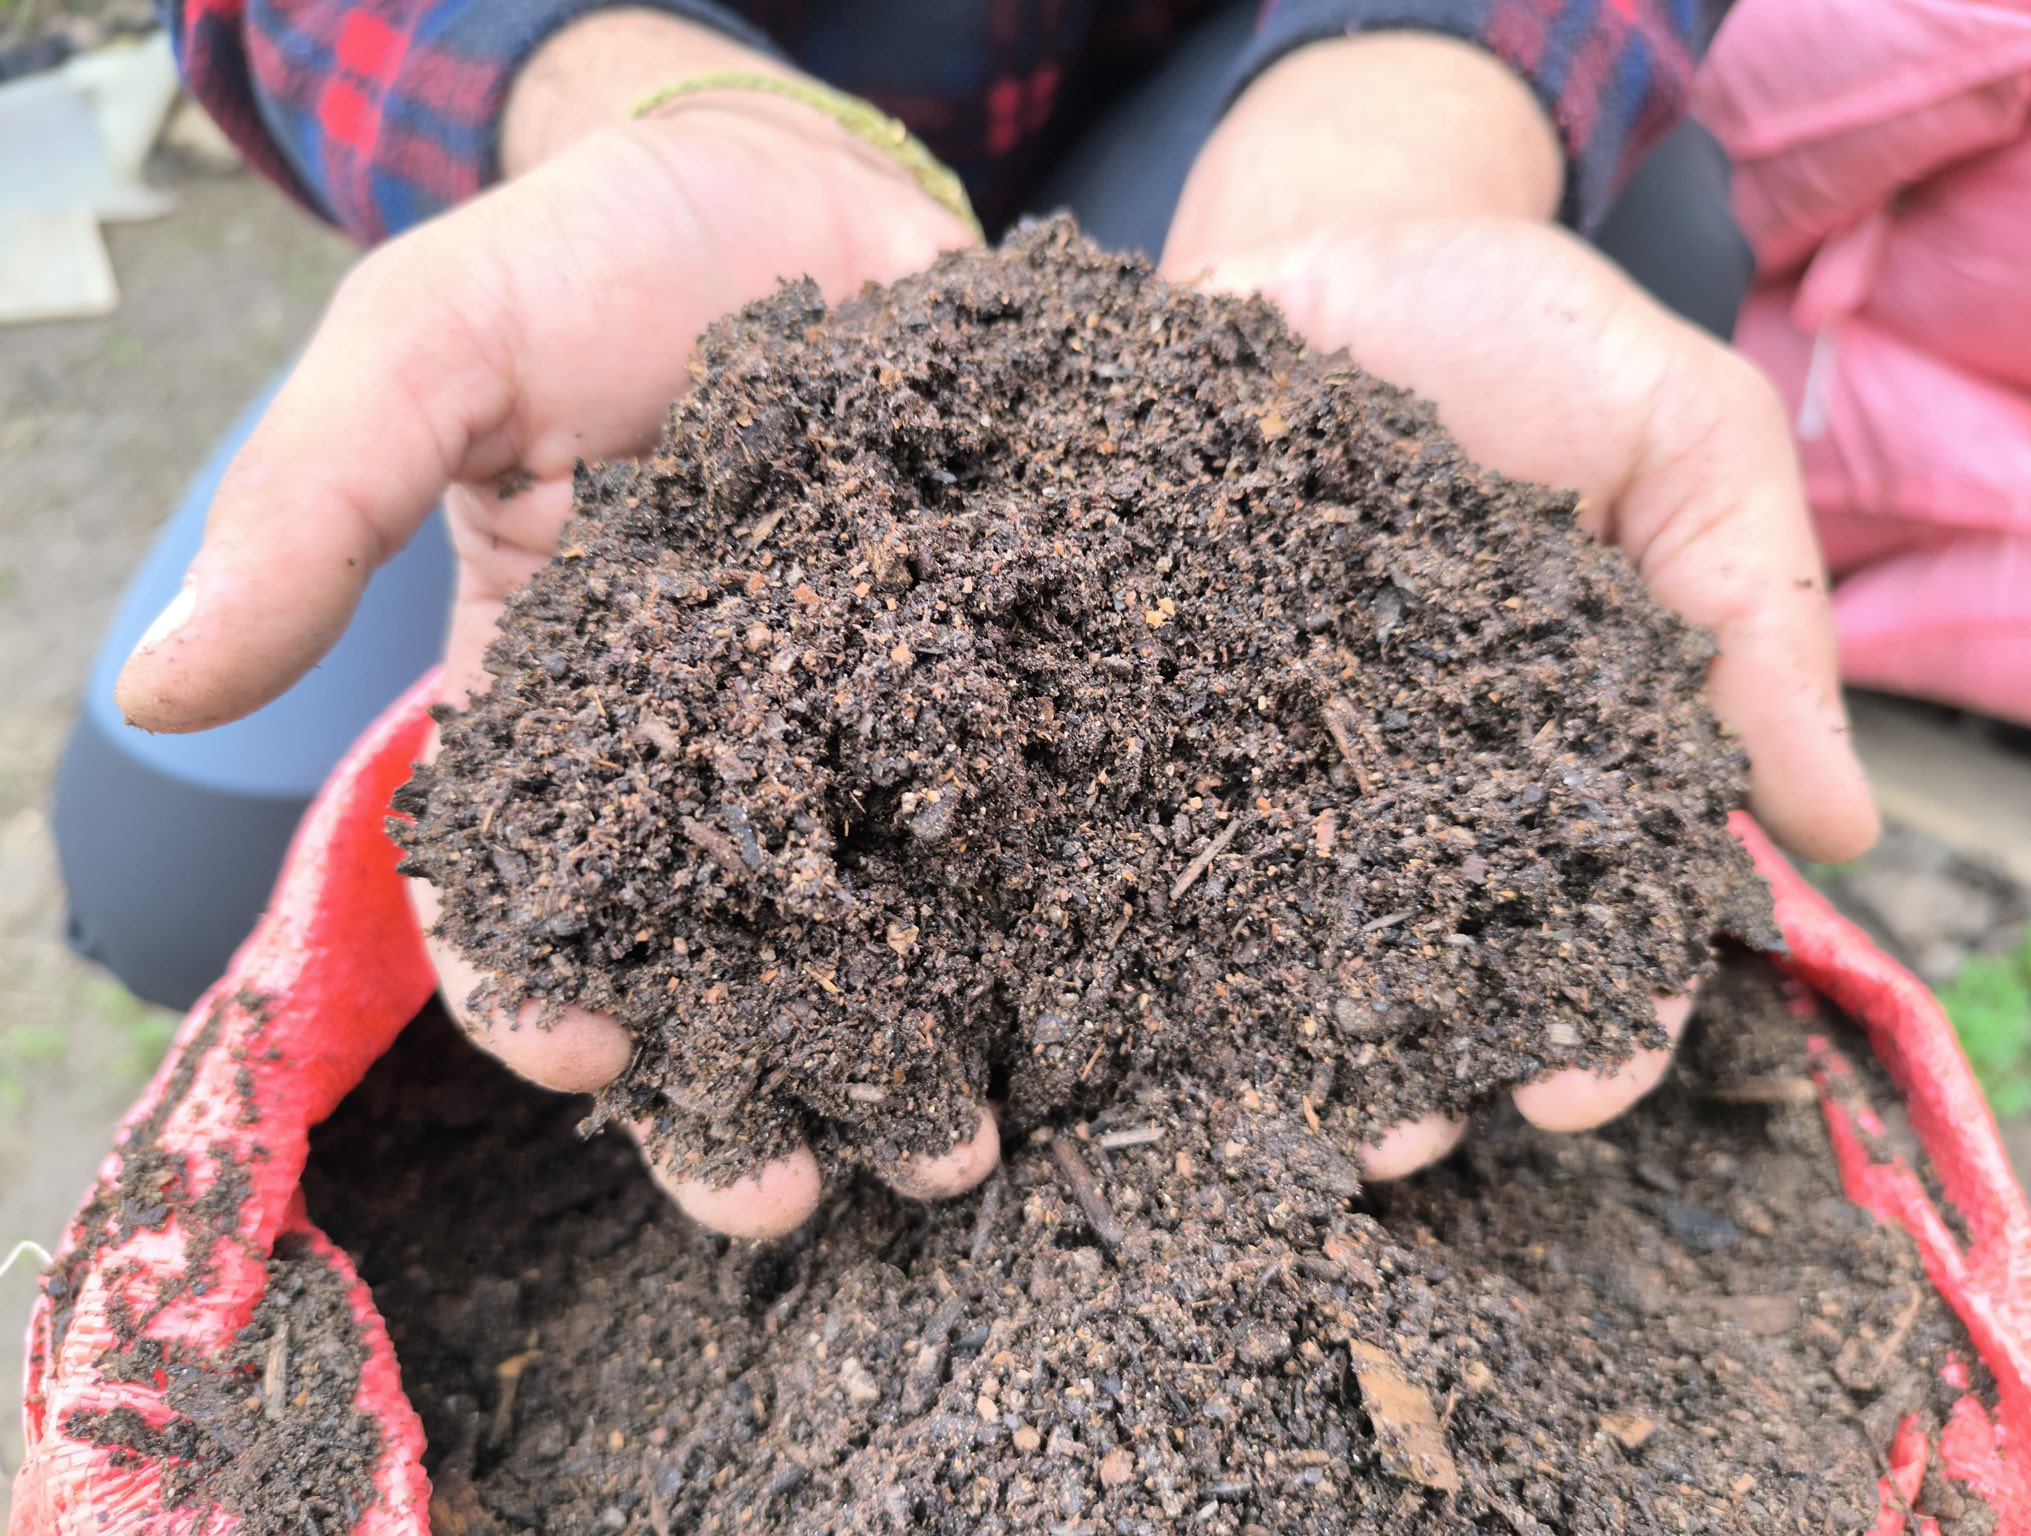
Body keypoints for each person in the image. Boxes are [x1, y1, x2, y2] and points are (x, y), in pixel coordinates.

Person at [62, 0, 1878, 1238]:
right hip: (710, 151)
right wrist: (626, 91)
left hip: (1263, 81)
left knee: (1671, 220)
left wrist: (1411, 132)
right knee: (171, 847)